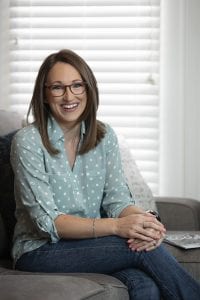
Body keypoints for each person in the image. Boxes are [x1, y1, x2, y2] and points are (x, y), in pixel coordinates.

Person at [10, 49, 200, 300]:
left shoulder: (104, 136)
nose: (69, 96)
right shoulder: (28, 142)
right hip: (39, 249)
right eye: (57, 87)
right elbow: (49, 222)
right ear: (44, 95)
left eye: (77, 85)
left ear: (89, 89)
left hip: (90, 245)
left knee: (145, 286)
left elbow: (118, 200)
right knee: (140, 250)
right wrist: (118, 227)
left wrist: (146, 223)